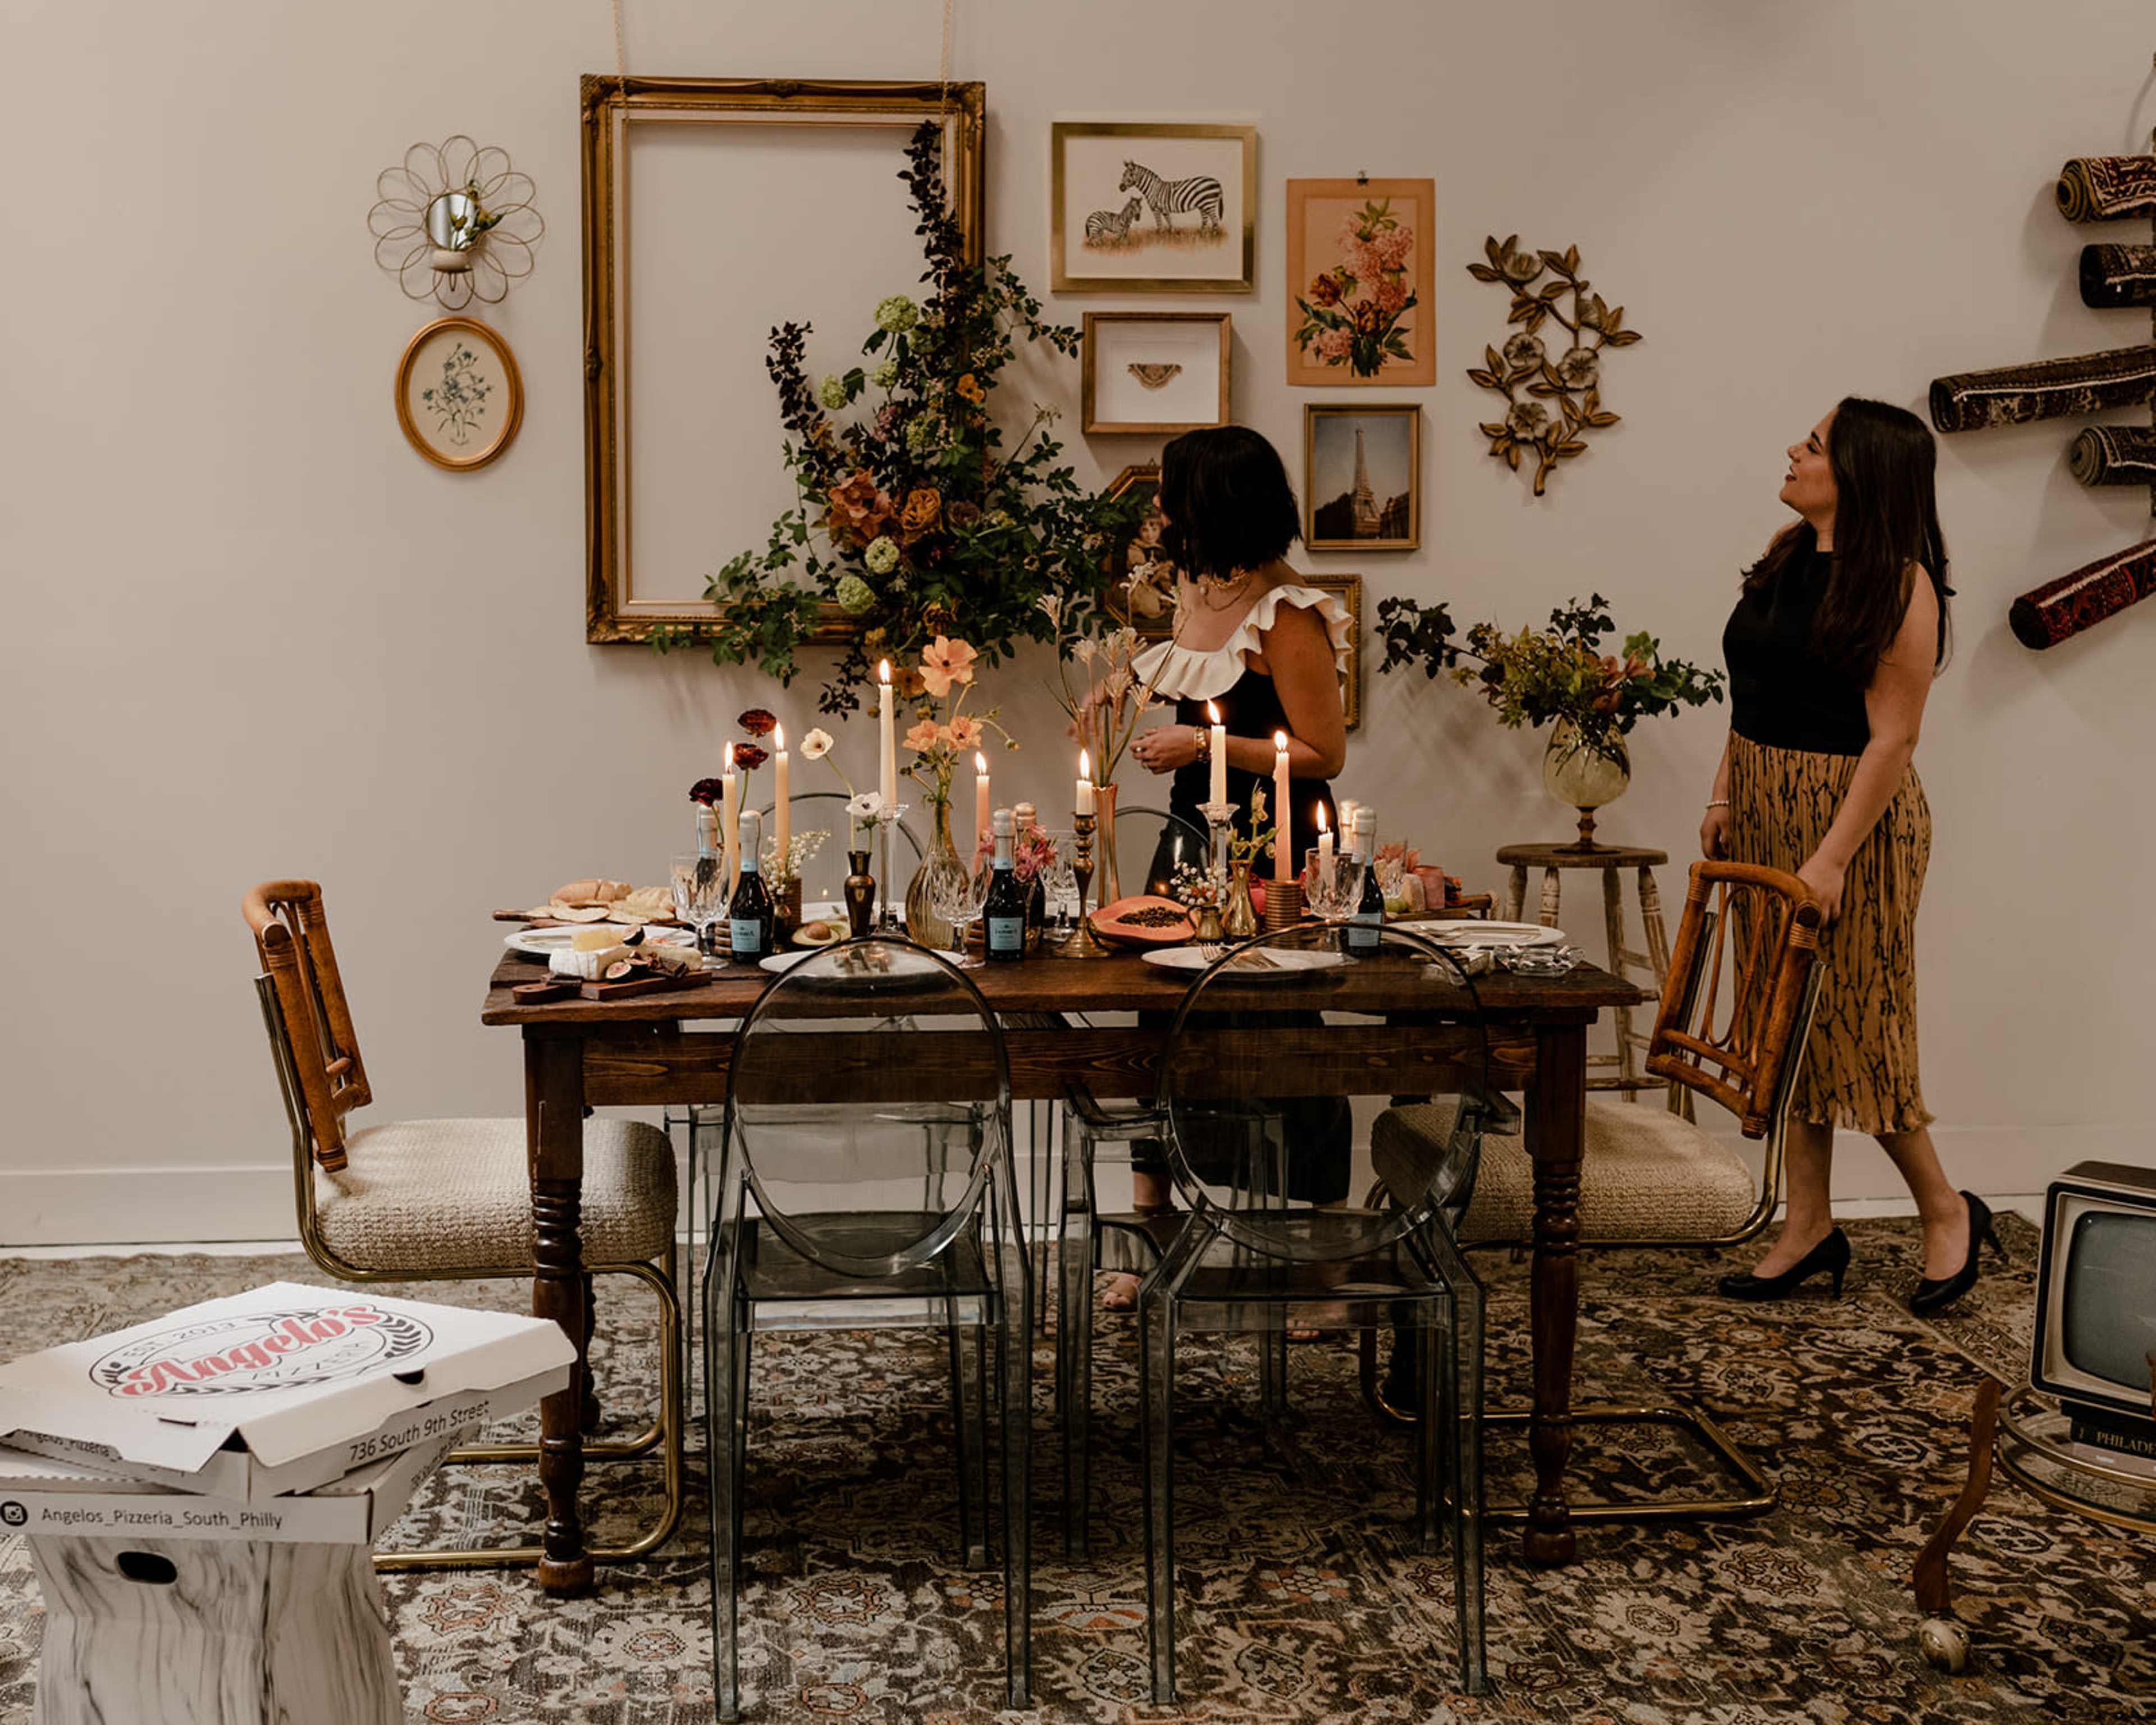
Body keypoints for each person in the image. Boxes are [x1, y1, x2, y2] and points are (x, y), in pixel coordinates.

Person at [1709, 396, 1994, 1316]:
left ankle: (1947, 1211)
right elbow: (1749, 694)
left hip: (1854, 829)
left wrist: (1829, 860)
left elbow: (1893, 742)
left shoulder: (1901, 584)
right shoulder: (1790, 557)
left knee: (1859, 1030)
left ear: (1861, 475)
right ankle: (1809, 1225)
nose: (1794, 450)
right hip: (1762, 806)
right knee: (1784, 1024)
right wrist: (1723, 796)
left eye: (1817, 444)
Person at [1086, 425, 1353, 1310]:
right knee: (1164, 1029)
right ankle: (1148, 1243)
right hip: (1185, 839)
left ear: (1213, 500)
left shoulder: (1291, 612)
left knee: (1288, 1041)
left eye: (1171, 489)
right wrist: (1118, 688)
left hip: (1273, 848)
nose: (1158, 504)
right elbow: (1185, 673)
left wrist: (1203, 741)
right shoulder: (1198, 587)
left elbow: (1325, 751)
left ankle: (1320, 1265)